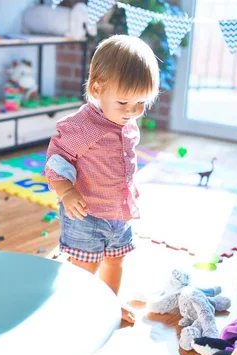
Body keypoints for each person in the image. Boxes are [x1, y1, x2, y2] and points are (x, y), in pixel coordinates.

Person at [44, 35, 160, 323]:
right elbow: (57, 160)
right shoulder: (83, 128)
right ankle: (75, 310)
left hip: (118, 212)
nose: (132, 111)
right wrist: (66, 192)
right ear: (98, 88)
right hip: (86, 214)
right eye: (124, 102)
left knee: (115, 260)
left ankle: (108, 307)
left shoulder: (127, 122)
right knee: (85, 265)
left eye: (141, 103)